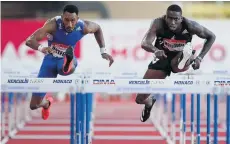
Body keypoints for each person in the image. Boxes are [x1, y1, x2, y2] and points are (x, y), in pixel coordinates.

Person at [26, 5, 114, 120]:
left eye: (73, 20)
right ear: (62, 17)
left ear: (77, 19)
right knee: (34, 105)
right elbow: (29, 40)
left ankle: (68, 62)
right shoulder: (53, 24)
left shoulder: (84, 26)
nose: (69, 24)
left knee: (65, 68)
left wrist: (103, 51)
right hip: (50, 60)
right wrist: (42, 48)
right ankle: (46, 104)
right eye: (66, 20)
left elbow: (97, 28)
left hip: (67, 60)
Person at [136, 4, 216, 122]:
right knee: (139, 99)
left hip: (179, 56)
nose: (172, 22)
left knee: (178, 65)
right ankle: (149, 102)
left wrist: (199, 58)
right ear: (165, 17)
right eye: (169, 18)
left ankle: (187, 57)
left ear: (181, 18)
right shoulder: (158, 23)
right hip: (162, 58)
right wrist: (155, 50)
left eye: (176, 19)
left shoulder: (190, 26)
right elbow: (144, 43)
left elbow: (211, 36)